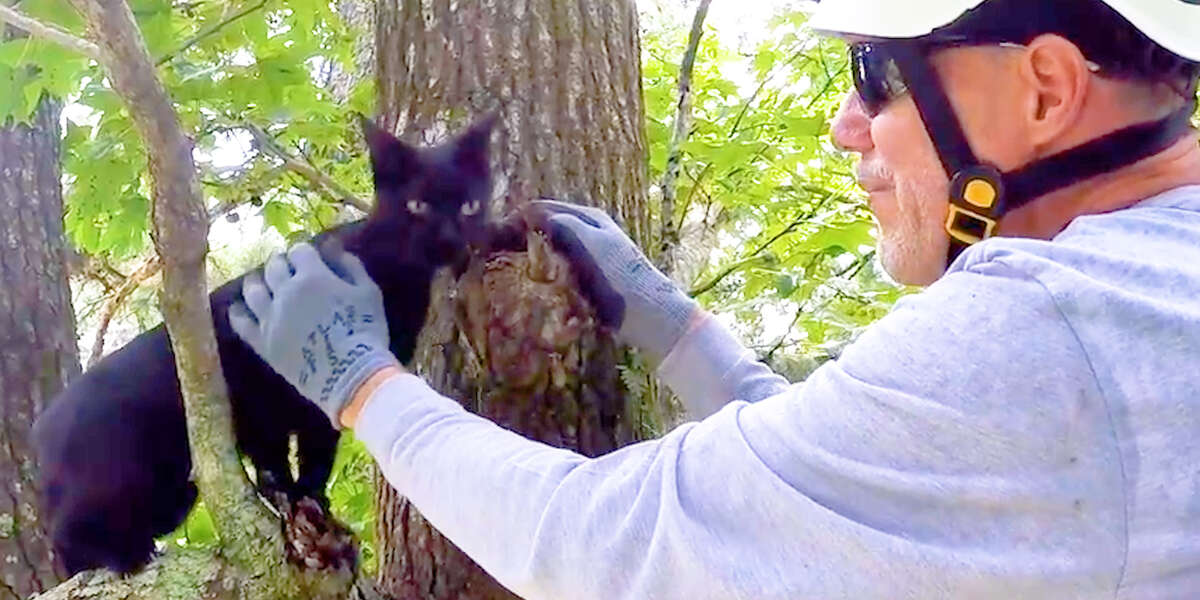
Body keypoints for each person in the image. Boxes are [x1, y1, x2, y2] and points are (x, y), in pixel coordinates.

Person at [230, 0, 1200, 597]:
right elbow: (865, 499)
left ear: (1044, 90)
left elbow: (601, 546)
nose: (844, 125)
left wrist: (363, 388)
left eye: (879, 77)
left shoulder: (1044, 334)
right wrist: (681, 332)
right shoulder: (1146, 287)